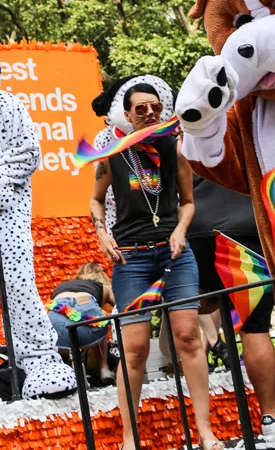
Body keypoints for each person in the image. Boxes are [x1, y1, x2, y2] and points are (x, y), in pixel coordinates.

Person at [90, 83, 221, 450]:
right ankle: (129, 439)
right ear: (127, 115)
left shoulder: (173, 147)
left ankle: (206, 432)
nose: (149, 113)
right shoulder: (113, 154)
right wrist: (101, 233)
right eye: (141, 109)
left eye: (155, 107)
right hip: (131, 258)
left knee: (188, 337)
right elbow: (96, 199)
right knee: (134, 349)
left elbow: (188, 201)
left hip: (174, 254)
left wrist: (180, 230)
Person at [186, 175, 275, 439]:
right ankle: (270, 416)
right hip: (246, 229)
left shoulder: (188, 152)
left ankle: (203, 429)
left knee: (191, 310)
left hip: (196, 230)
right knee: (254, 328)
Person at [47, 262, 116, 383]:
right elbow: (121, 306)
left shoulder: (63, 286)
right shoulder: (103, 286)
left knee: (64, 339)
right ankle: (104, 368)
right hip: (86, 314)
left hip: (56, 323)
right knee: (99, 322)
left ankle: (69, 371)